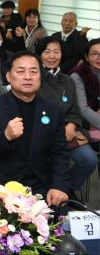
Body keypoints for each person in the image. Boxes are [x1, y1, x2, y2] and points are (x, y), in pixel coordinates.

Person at [0, 51, 69, 205]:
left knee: (60, 223)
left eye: (33, 71)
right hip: (1, 185)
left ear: (40, 76)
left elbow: (59, 153)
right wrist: (5, 136)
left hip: (40, 184)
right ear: (8, 77)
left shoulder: (54, 110)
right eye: (20, 71)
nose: (28, 77)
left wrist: (58, 186)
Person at [36, 37, 98, 197]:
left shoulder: (68, 80)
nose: (52, 56)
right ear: (40, 54)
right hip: (42, 133)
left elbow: (75, 110)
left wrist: (71, 124)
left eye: (56, 52)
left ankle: (67, 190)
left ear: (62, 55)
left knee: (89, 159)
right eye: (47, 52)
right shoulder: (35, 78)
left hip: (68, 133)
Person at [70, 39, 100, 149]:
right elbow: (83, 110)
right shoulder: (78, 76)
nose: (99, 58)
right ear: (86, 57)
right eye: (94, 54)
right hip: (84, 123)